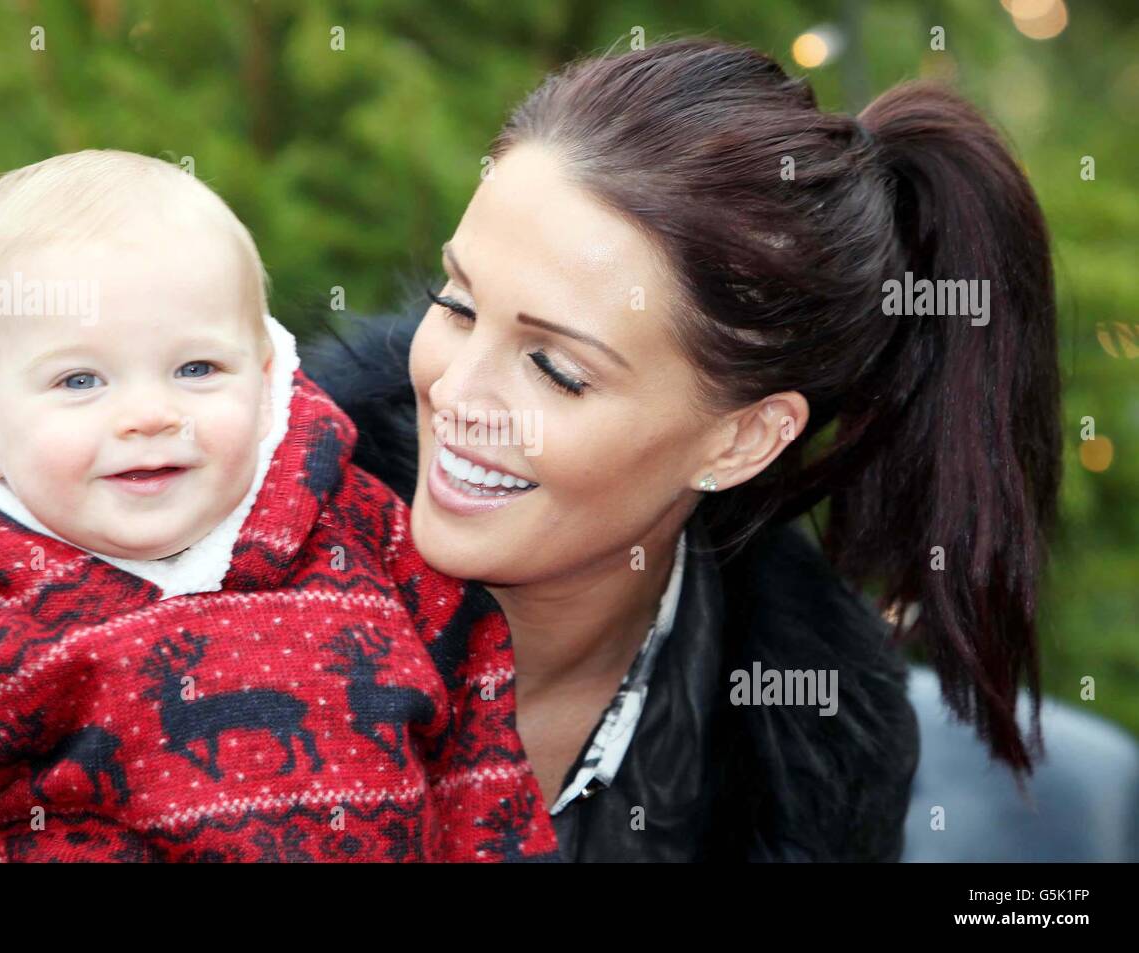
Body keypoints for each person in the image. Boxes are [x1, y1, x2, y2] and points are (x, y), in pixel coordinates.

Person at [303, 37, 1061, 861]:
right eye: (455, 305)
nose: (456, 393)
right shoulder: (220, 538)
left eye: (556, 369)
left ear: (741, 439)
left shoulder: (817, 757)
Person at [0, 150, 558, 862]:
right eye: (80, 379)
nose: (150, 414)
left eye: (196, 368)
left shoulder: (363, 535)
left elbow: (479, 763)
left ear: (266, 376)